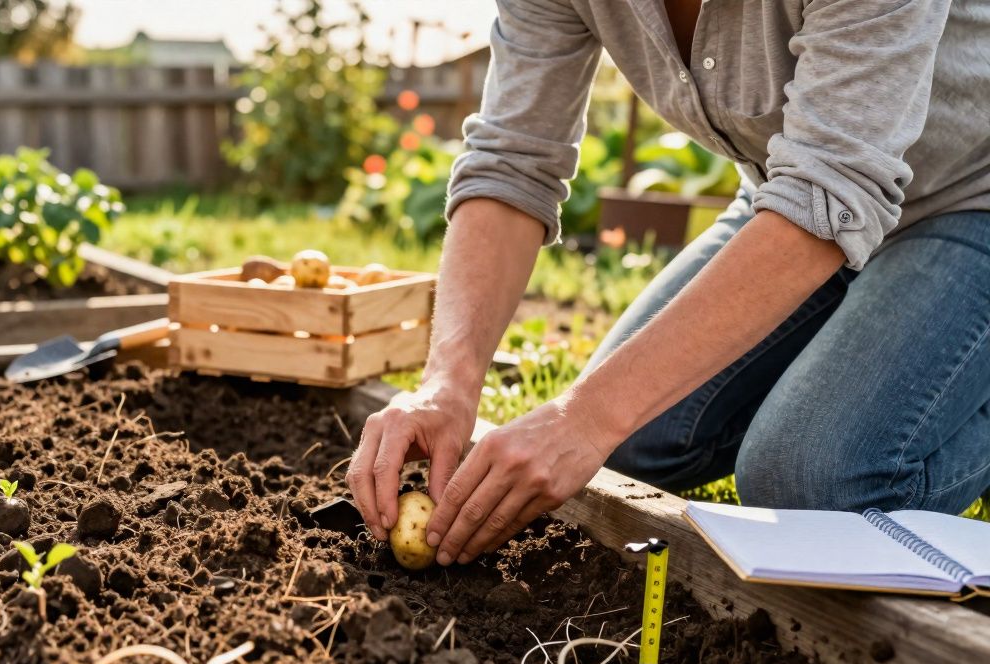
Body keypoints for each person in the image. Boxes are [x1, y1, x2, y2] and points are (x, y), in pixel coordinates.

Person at [348, 0, 990, 567]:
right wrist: (448, 384)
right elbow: (513, 159)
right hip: (789, 196)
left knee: (811, 483)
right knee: (629, 442)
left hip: (968, 196)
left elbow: (833, 186)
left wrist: (585, 417)